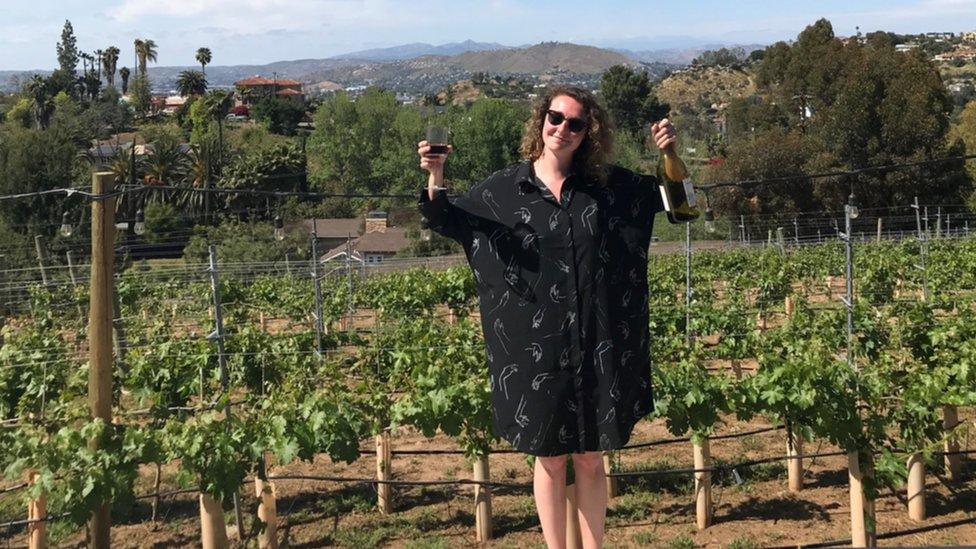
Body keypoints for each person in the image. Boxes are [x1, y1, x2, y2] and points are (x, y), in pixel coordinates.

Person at [417, 84, 678, 549]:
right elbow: (447, 221)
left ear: (588, 133)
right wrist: (436, 175)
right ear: (541, 121)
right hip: (538, 350)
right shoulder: (503, 191)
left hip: (596, 342)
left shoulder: (609, 190)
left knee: (591, 457)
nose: (563, 129)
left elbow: (680, 204)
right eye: (556, 118)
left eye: (576, 124)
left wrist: (670, 154)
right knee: (551, 459)